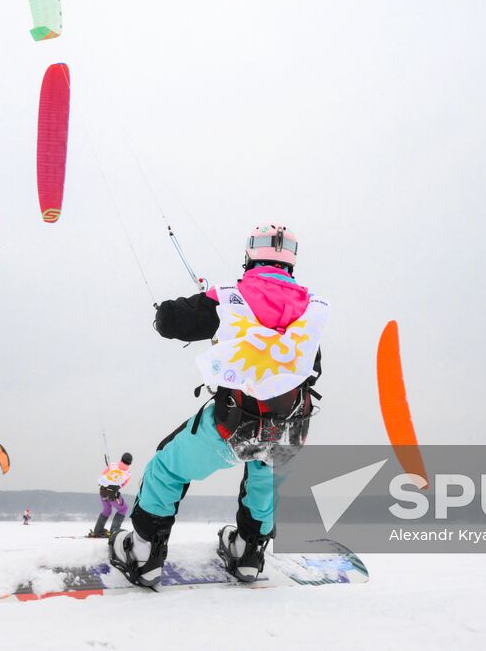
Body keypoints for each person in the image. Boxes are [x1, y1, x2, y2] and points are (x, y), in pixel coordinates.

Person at [110, 224, 328, 587]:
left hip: (236, 422)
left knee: (167, 467)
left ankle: (144, 553)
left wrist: (166, 311)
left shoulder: (232, 295)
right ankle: (247, 554)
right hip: (290, 428)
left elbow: (170, 322)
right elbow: (313, 368)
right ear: (291, 263)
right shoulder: (310, 310)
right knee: (264, 477)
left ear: (250, 256)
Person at [89, 453, 134, 538]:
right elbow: (122, 485)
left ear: (121, 458)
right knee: (123, 509)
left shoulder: (112, 465)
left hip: (102, 491)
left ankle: (97, 531)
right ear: (130, 463)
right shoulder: (128, 473)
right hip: (113, 495)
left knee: (107, 510)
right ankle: (114, 531)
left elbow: (103, 475)